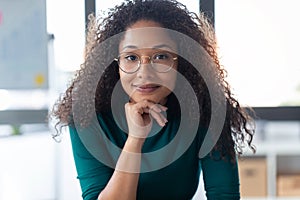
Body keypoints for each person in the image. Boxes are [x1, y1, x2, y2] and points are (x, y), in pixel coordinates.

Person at [51, 0, 255, 199]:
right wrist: (135, 140)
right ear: (116, 63)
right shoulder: (87, 116)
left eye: (161, 56)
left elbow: (224, 194)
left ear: (181, 62)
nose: (145, 73)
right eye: (131, 57)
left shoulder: (206, 110)